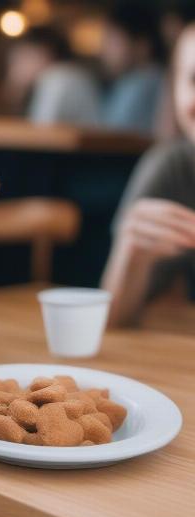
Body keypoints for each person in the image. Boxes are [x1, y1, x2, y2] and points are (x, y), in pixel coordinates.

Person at [102, 24, 195, 327]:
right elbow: (112, 322)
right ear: (176, 88)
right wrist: (132, 256)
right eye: (194, 80)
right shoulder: (170, 166)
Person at [3, 26, 100, 126]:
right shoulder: (67, 75)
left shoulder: (59, 79)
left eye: (19, 59)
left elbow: (41, 133)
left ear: (42, 53)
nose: (14, 69)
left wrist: (15, 91)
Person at [99, 2, 165, 135]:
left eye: (113, 40)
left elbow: (110, 134)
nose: (104, 50)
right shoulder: (133, 80)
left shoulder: (144, 80)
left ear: (142, 46)